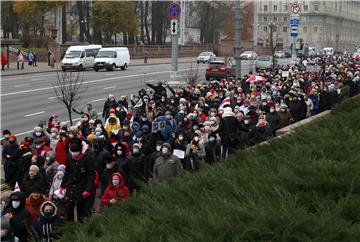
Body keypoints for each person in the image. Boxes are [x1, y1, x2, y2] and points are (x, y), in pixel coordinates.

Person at [60, 138, 95, 222]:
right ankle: (70, 225)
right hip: (71, 185)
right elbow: (67, 171)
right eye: (72, 152)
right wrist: (62, 185)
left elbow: (91, 174)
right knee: (69, 207)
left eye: (75, 152)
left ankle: (81, 226)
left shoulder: (87, 158)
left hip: (82, 186)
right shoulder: (70, 156)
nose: (73, 154)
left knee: (81, 209)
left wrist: (88, 189)